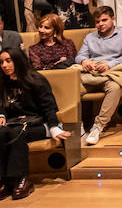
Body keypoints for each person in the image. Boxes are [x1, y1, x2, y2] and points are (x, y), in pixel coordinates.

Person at [0, 49, 71, 199]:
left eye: (8, 61)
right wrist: (2, 115)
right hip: (15, 124)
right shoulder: (3, 82)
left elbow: (49, 107)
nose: (4, 65)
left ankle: (21, 179)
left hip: (40, 124)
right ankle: (5, 181)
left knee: (15, 134)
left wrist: (54, 128)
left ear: (17, 60)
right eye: (1, 62)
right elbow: (2, 105)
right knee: (2, 133)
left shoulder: (35, 79)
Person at [75, 6, 122, 144]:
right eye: (97, 22)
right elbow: (80, 55)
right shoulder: (90, 37)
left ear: (113, 19)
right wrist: (84, 61)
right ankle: (77, 126)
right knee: (71, 88)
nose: (100, 24)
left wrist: (110, 64)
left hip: (112, 73)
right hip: (91, 74)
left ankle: (98, 127)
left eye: (104, 20)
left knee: (114, 88)